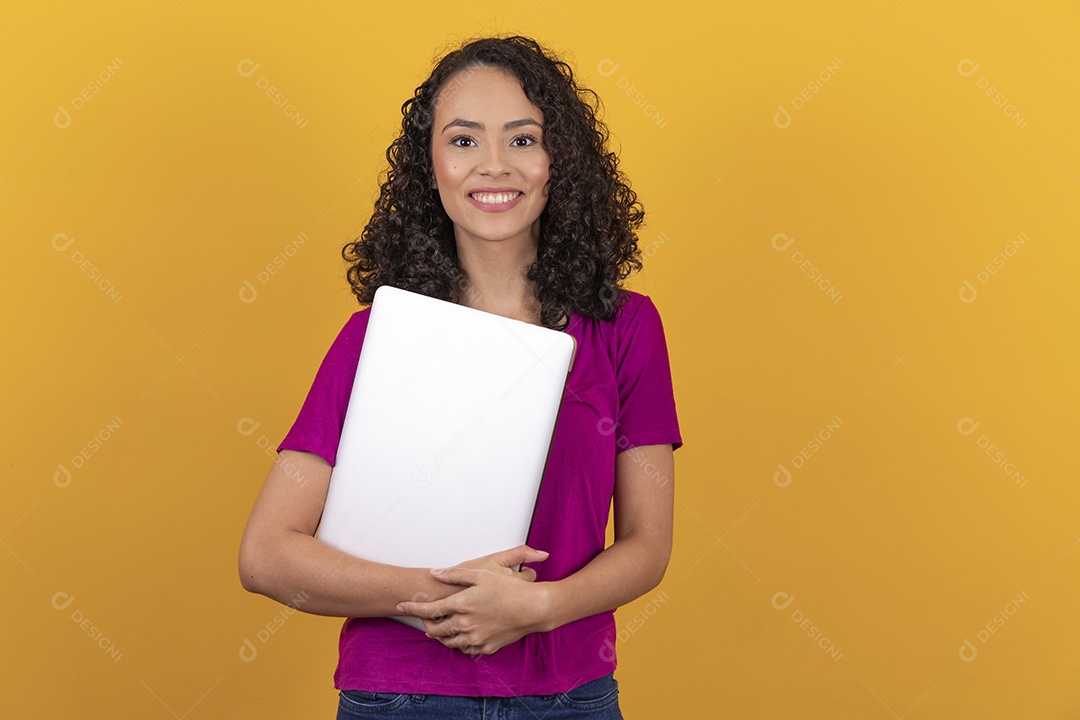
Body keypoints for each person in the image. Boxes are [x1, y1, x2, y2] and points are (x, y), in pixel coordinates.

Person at [238, 35, 682, 719]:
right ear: (431, 166)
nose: (494, 166)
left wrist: (538, 607)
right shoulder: (373, 341)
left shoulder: (625, 329)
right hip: (398, 697)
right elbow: (268, 556)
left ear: (558, 162)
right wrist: (441, 594)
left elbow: (648, 547)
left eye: (524, 139)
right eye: (465, 141)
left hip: (570, 697)